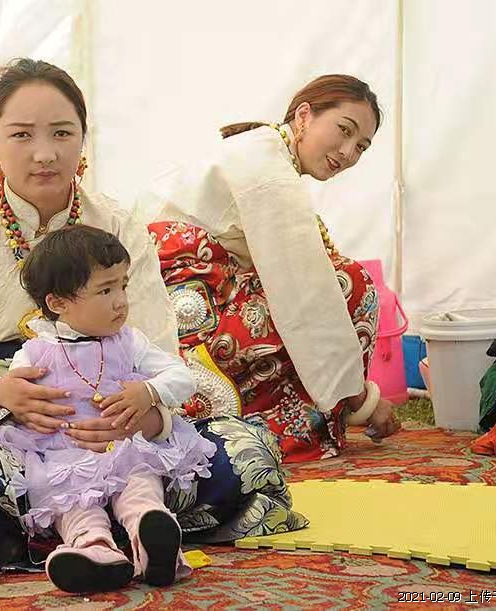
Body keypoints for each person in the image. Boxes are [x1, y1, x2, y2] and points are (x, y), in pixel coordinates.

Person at [0, 58, 305, 568]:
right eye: (21, 135)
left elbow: (159, 353)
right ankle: (116, 527)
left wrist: (144, 415)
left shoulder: (118, 225)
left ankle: (105, 526)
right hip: (19, 440)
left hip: (121, 430)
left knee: (248, 449)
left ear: (82, 138)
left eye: (62, 133)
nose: (45, 153)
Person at [144, 74, 401, 463]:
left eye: (361, 146)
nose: (348, 152)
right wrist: (362, 399)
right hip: (187, 325)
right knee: (349, 283)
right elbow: (306, 293)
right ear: (304, 116)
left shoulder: (261, 151)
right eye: (344, 130)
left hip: (171, 320)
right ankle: (275, 429)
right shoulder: (267, 169)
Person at [0, 225, 214, 592]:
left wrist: (149, 392)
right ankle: (93, 551)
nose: (121, 301)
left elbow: (182, 377)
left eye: (123, 286)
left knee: (139, 485)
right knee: (72, 503)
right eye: (105, 290)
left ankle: (152, 537)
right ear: (58, 303)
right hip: (64, 457)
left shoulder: (129, 342)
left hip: (125, 448)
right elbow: (10, 405)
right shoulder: (33, 354)